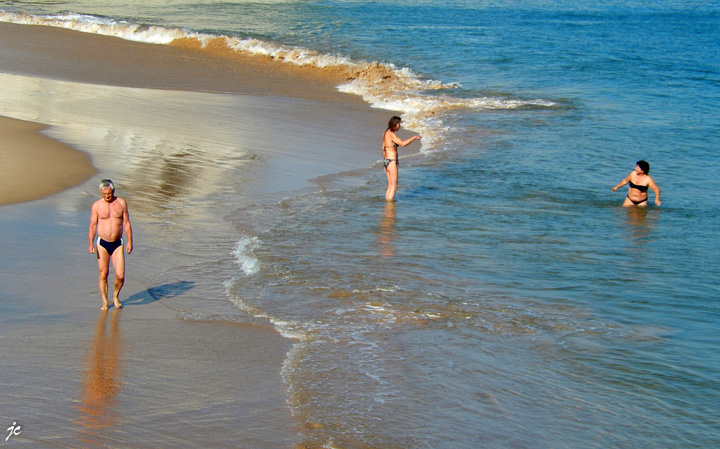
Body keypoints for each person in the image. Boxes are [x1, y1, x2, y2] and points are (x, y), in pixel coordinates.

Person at [88, 179, 133, 310]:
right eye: (103, 194)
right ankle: (104, 301)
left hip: (118, 243)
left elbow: (126, 223)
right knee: (103, 274)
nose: (106, 196)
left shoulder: (121, 203)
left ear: (113, 191)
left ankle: (115, 295)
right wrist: (90, 242)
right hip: (102, 243)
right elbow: (93, 225)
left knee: (120, 275)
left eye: (108, 194)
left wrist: (130, 241)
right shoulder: (97, 206)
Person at [382, 116, 421, 201]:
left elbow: (383, 148)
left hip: (387, 161)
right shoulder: (391, 134)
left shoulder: (385, 133)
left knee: (390, 186)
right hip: (391, 162)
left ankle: (386, 203)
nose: (399, 126)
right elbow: (403, 144)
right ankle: (389, 206)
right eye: (399, 124)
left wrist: (385, 164)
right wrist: (414, 137)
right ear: (395, 124)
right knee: (394, 186)